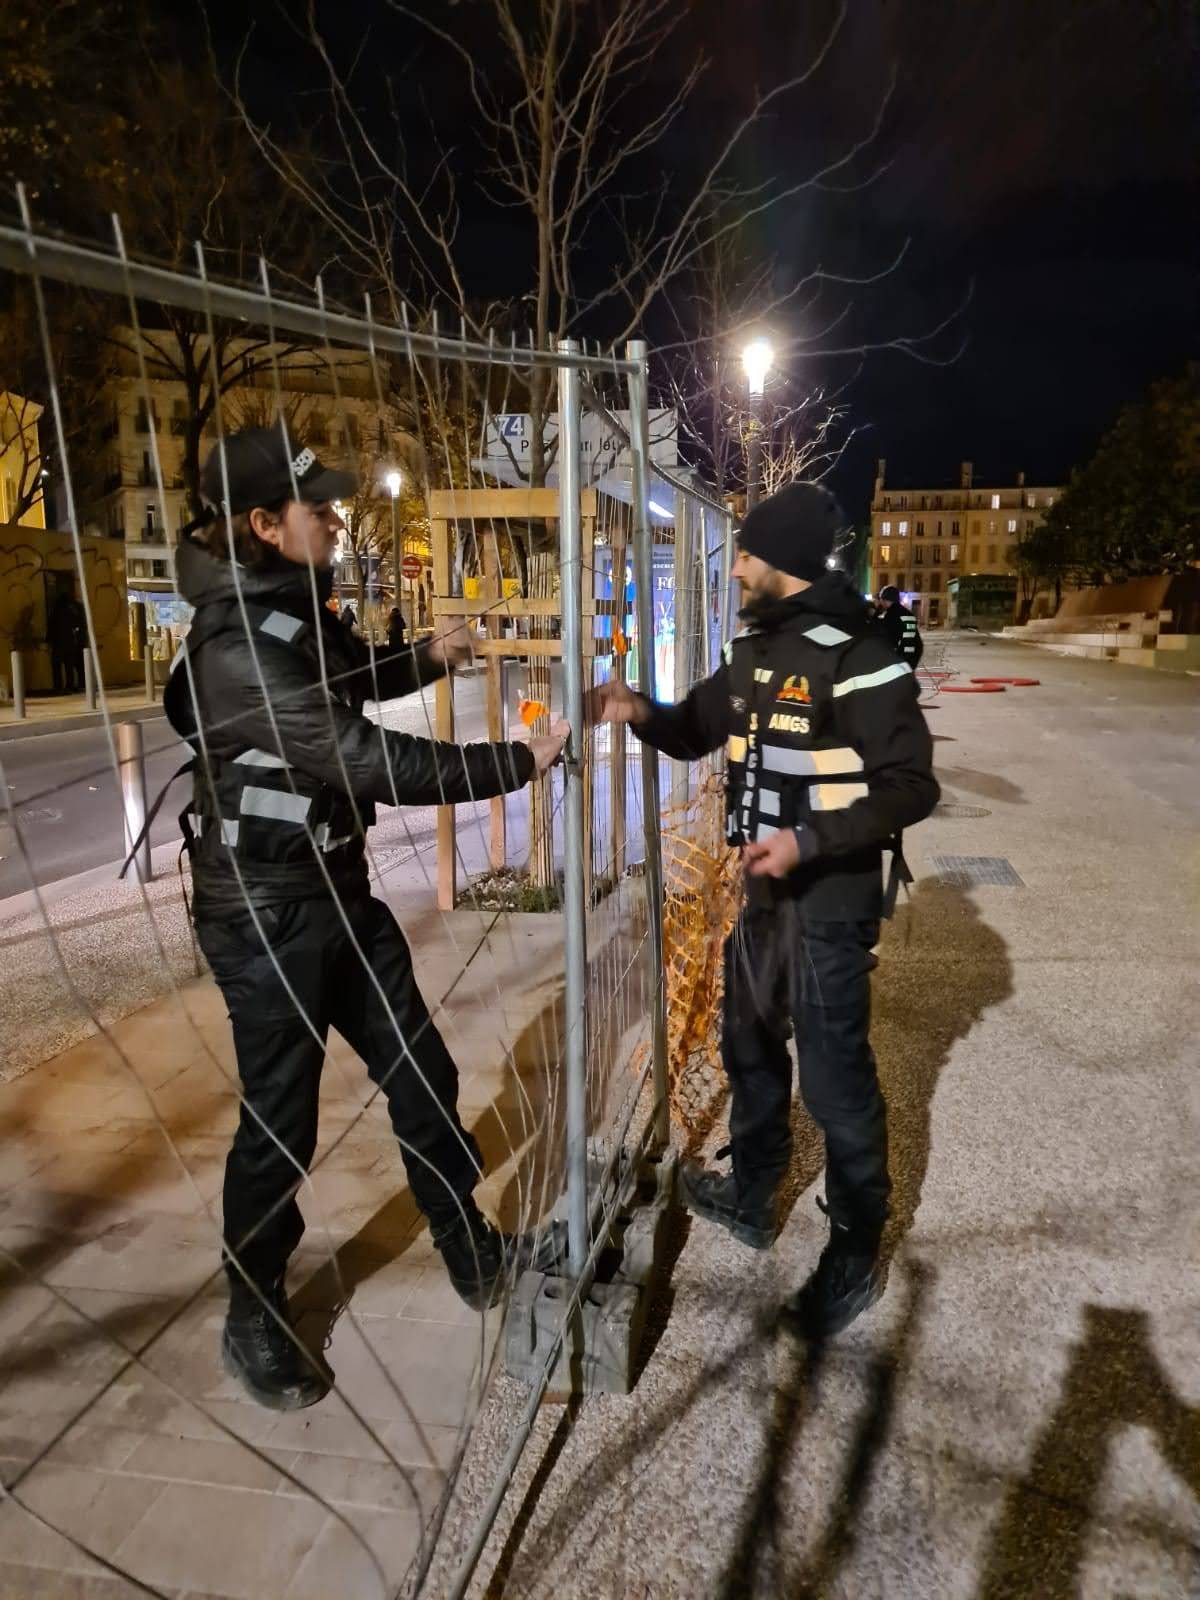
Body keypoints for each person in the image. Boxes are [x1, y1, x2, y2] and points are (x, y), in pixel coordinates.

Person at [164, 427, 568, 1409]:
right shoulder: (234, 648)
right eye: (319, 509)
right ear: (264, 525)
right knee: (281, 1119)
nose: (338, 521)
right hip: (263, 914)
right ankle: (252, 1308)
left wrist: (426, 655)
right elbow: (364, 756)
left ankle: (467, 1245)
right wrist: (516, 762)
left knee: (420, 1068)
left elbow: (349, 681)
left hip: (334, 890)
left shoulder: (296, 604)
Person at [587, 481, 938, 1339]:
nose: (736, 567)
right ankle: (753, 1194)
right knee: (745, 1041)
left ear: (780, 561)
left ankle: (855, 1250)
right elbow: (692, 729)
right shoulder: (753, 653)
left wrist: (808, 841)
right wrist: (638, 711)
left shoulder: (860, 655)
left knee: (834, 1079)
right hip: (764, 896)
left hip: (830, 901)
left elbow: (911, 786)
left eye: (746, 554)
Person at [873, 584, 923, 669]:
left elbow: (888, 642)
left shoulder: (891, 615)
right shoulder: (909, 614)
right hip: (910, 661)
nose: (880, 602)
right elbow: (918, 644)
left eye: (880, 599)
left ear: (884, 600)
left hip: (898, 663)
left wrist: (876, 613)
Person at [48, 591, 85, 694]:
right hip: (70, 642)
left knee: (57, 666)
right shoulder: (73, 610)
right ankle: (70, 685)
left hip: (58, 643)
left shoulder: (55, 610)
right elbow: (78, 625)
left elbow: (51, 627)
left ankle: (58, 686)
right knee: (69, 666)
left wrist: (49, 641)